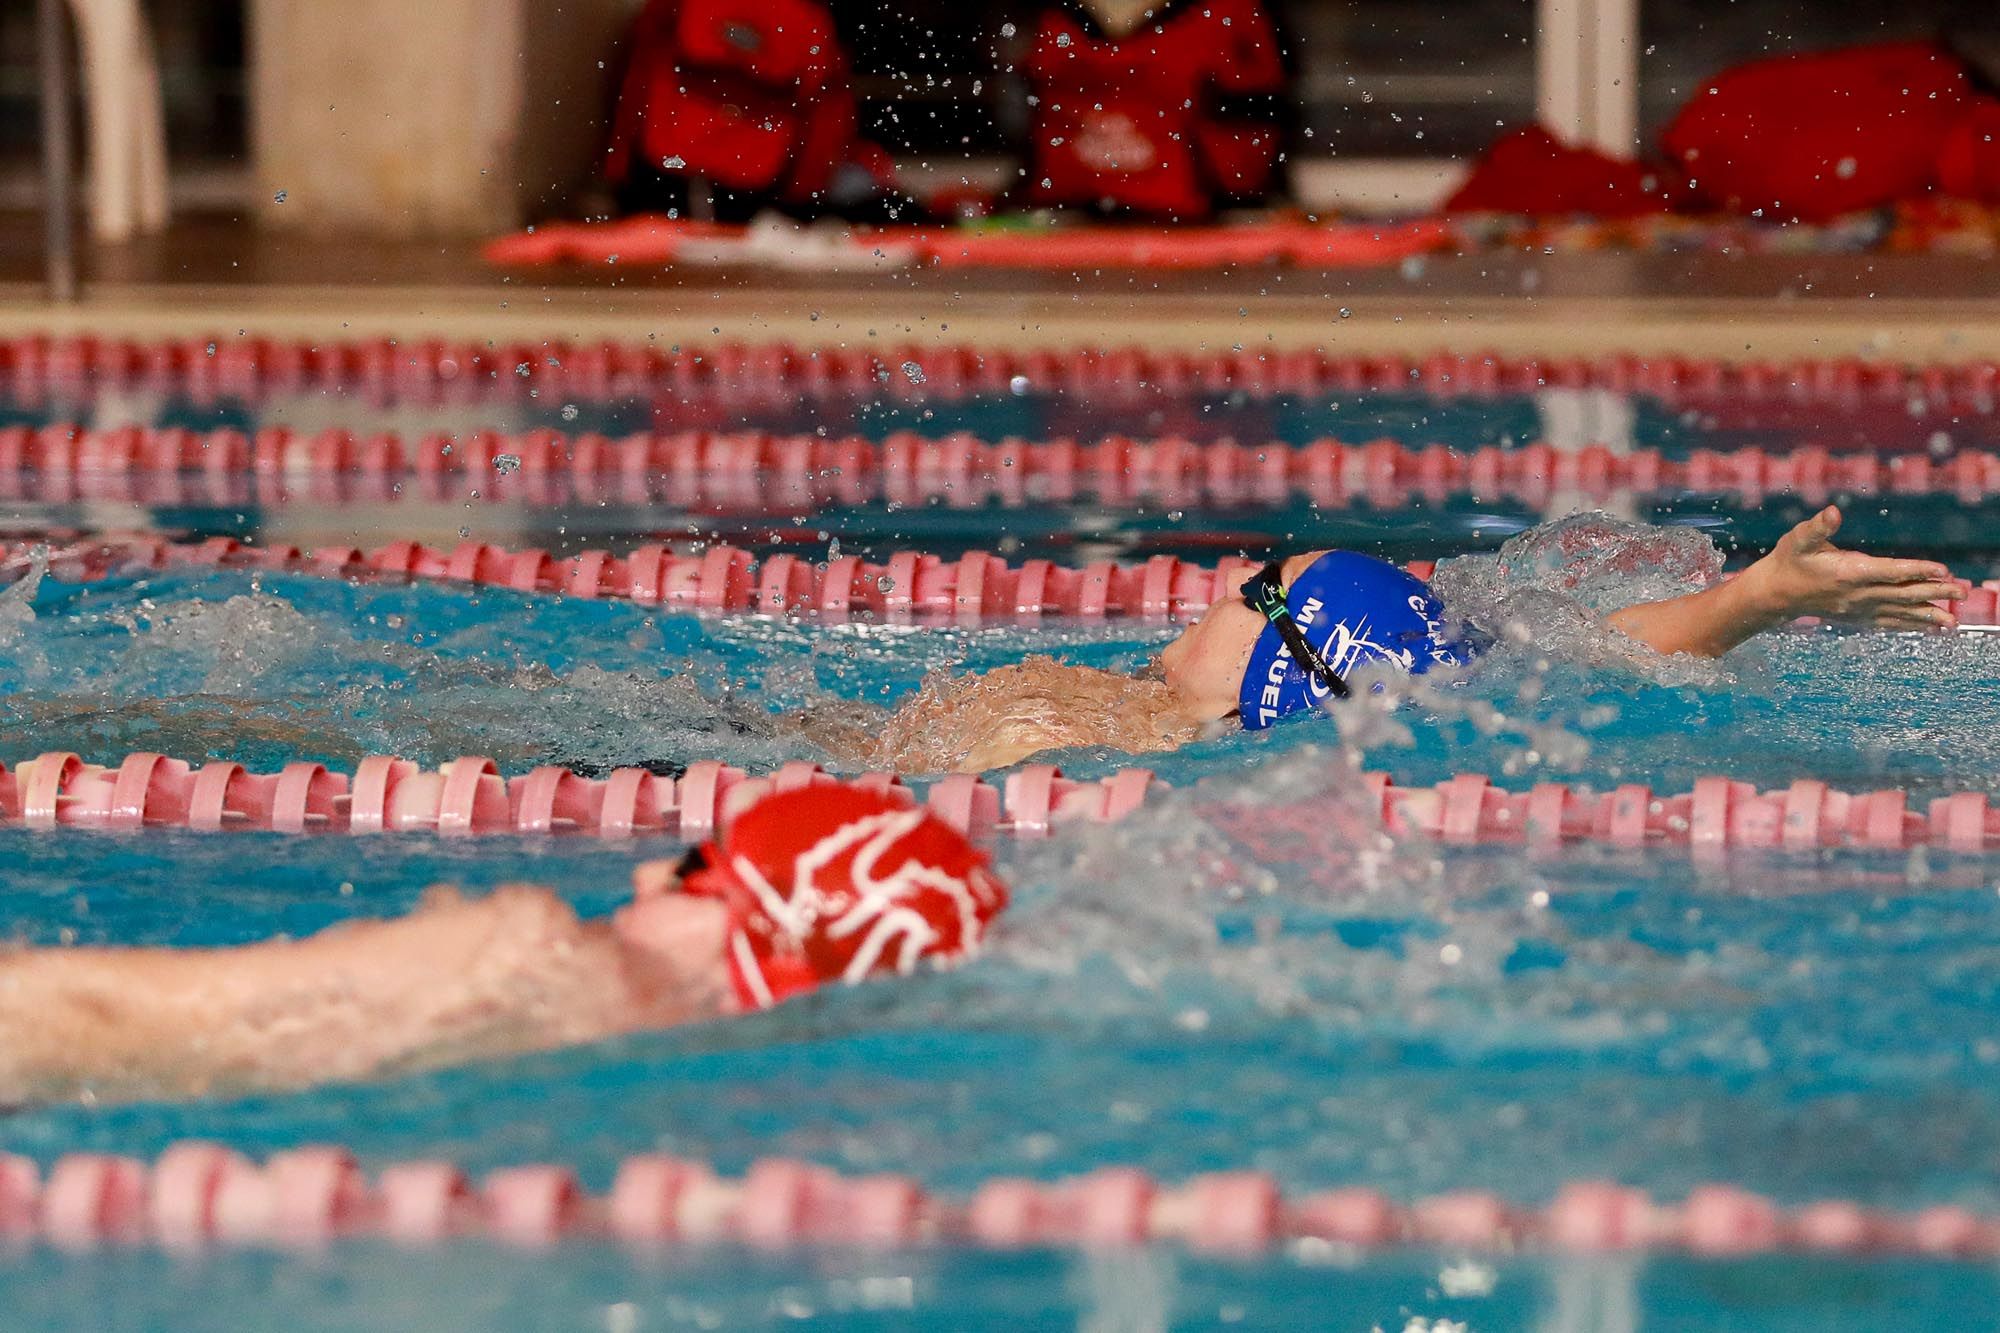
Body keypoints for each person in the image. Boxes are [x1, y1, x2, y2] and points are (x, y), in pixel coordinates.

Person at [0, 785, 1007, 1103]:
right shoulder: (724, 1100)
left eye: (698, 862)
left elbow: (97, 1019)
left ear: (751, 925)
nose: (646, 873)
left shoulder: (522, 952)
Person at [873, 506, 1964, 771]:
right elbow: (1596, 644)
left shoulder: (1051, 725)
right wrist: (1759, 596)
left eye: (1254, 596)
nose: (1222, 593)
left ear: (1273, 690)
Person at [1018, 0, 1292, 220]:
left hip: (1207, 219)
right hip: (1059, 214)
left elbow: (1260, 125)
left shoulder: (1233, 13)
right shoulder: (1044, 18)